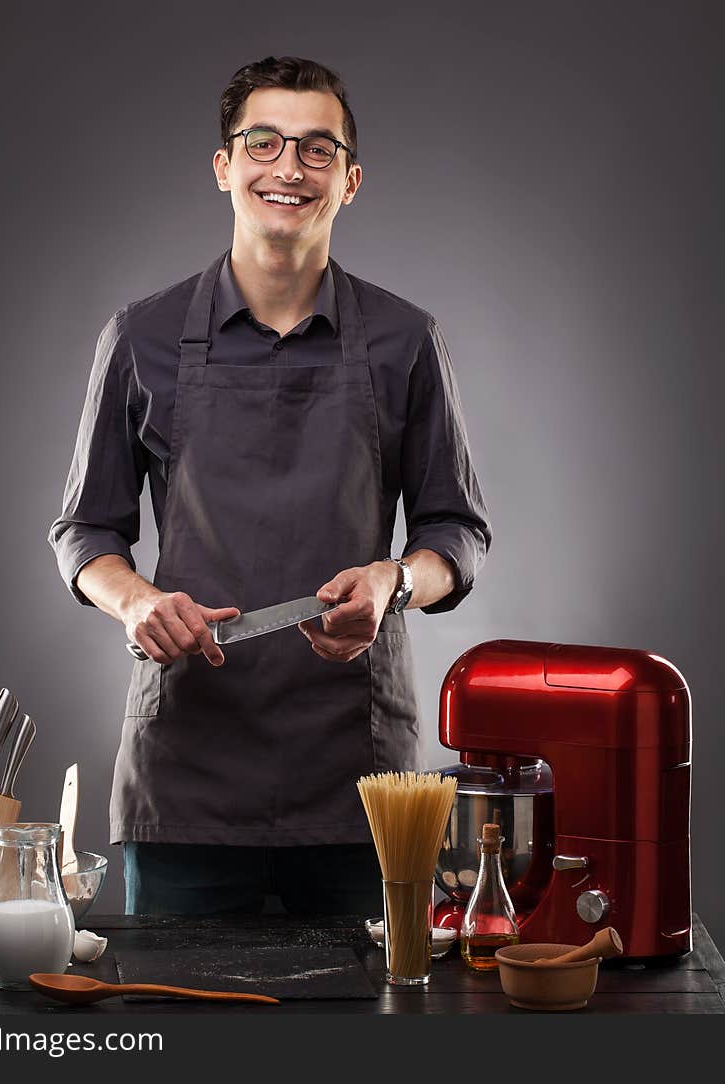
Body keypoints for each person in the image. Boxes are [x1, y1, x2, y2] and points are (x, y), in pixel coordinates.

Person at [49, 56, 491, 917]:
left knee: (373, 1043)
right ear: (225, 166)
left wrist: (393, 582)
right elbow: (85, 533)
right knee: (186, 1041)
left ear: (350, 180)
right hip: (186, 780)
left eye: (317, 149)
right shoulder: (141, 336)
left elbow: (456, 532)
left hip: (360, 784)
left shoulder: (406, 339)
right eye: (263, 143)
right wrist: (137, 601)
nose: (288, 168)